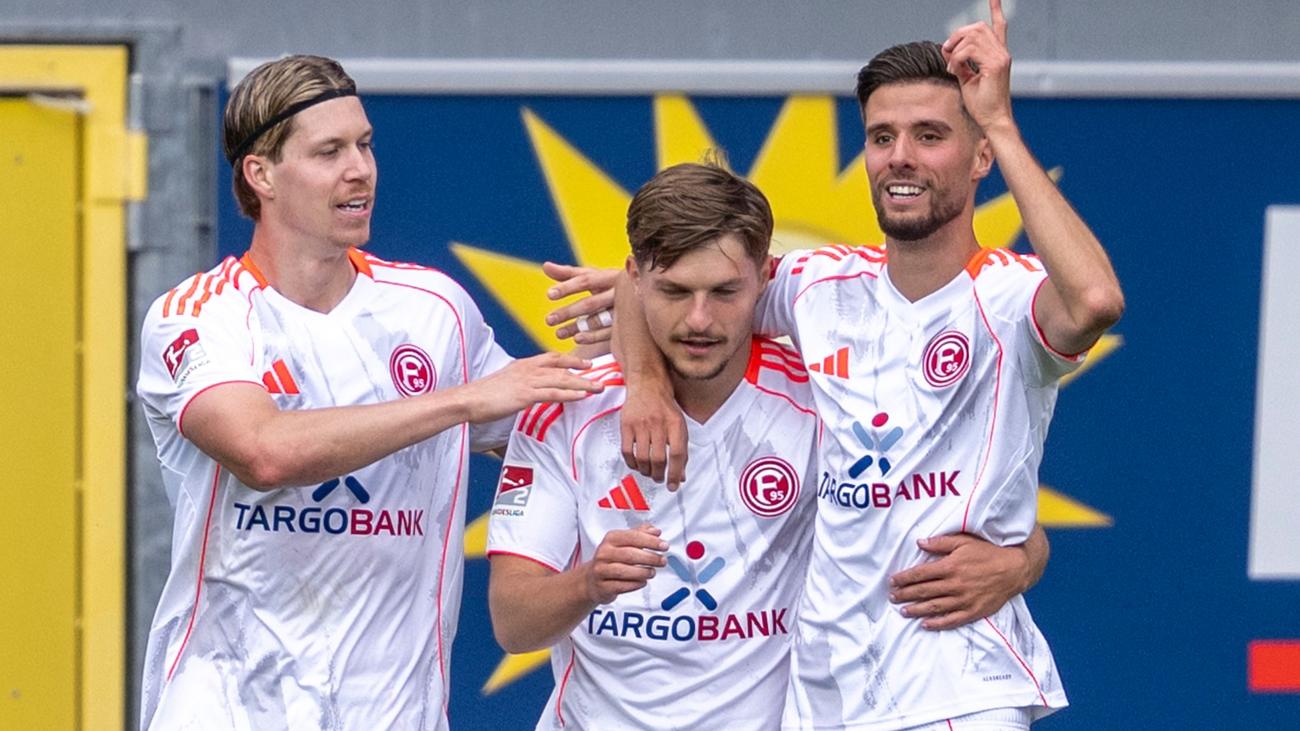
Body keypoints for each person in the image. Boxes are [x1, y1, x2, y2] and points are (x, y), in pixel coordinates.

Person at [616, 2, 1124, 728]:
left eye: (930, 136)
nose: (900, 157)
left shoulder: (1012, 299)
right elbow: (647, 281)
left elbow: (1097, 300)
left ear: (980, 157)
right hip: (824, 692)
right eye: (882, 137)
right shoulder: (818, 284)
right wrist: (645, 383)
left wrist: (1002, 123)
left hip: (955, 684)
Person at [488, 161, 1050, 730]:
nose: (699, 319)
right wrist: (588, 583)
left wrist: (1020, 560)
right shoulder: (567, 410)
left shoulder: (825, 400)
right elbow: (512, 623)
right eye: (675, 291)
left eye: (724, 292)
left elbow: (971, 512)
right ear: (634, 278)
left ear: (765, 277)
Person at [135, 55, 606, 730]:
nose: (360, 169)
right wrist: (462, 401)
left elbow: (558, 437)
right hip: (230, 706)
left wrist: (638, 326)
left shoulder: (434, 309)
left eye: (365, 144)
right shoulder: (199, 315)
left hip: (395, 712)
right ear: (261, 175)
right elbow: (263, 451)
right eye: (329, 152)